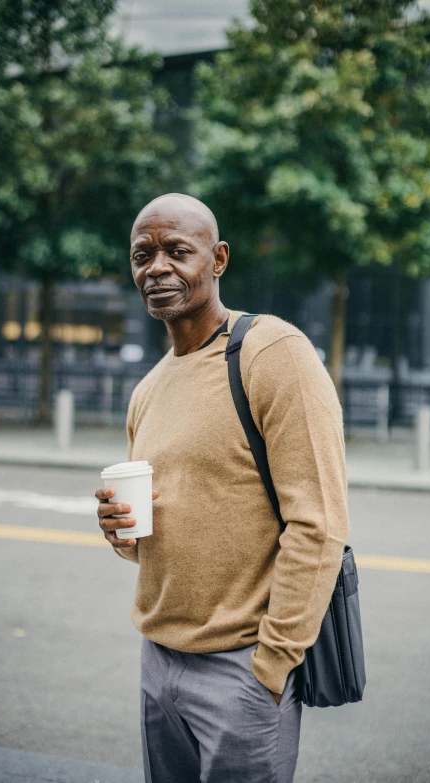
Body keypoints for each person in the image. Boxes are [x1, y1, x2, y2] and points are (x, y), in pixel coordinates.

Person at [96, 193, 349, 783]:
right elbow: (158, 531)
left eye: (177, 251)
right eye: (142, 255)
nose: (156, 267)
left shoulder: (271, 354)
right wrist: (119, 533)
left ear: (219, 260)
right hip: (158, 662)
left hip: (244, 669)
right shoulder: (149, 389)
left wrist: (273, 663)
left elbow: (320, 523)